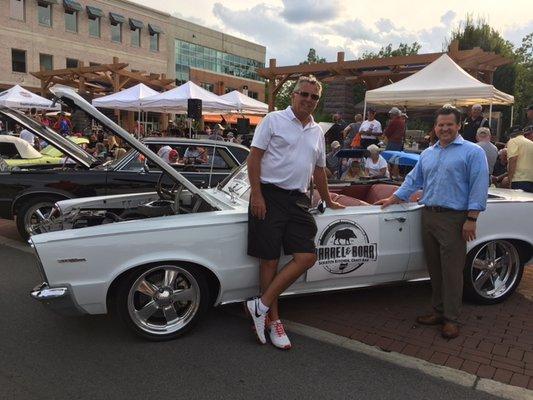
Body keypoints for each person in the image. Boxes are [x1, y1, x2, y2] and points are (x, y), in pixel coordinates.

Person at [245, 75, 344, 349]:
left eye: (314, 97)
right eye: (304, 94)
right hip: (269, 196)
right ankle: (273, 320)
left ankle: (260, 305)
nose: (308, 100)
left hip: (299, 200)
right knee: (269, 260)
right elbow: (254, 157)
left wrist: (328, 199)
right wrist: (256, 194)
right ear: (293, 94)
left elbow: (319, 170)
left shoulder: (316, 131)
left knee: (306, 256)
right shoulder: (273, 120)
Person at [376, 105, 489, 339]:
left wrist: (471, 218)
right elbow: (413, 179)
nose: (445, 128)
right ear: (435, 127)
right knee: (434, 269)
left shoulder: (472, 152)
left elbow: (479, 185)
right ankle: (438, 311)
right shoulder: (428, 153)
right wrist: (394, 197)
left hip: (455, 218)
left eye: (449, 124)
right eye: (441, 125)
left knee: (452, 271)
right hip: (428, 214)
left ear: (459, 126)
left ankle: (451, 319)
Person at [506, 125, 533, 192]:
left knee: (517, 201)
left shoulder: (513, 141)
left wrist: (509, 179)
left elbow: (513, 160)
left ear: (511, 135)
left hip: (518, 179)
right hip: (531, 179)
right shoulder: (531, 143)